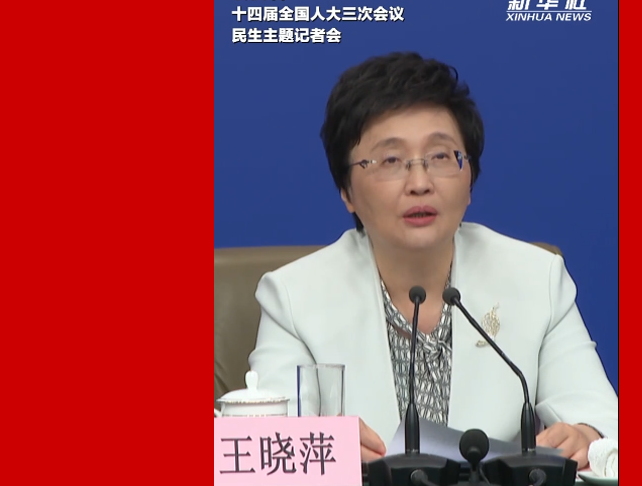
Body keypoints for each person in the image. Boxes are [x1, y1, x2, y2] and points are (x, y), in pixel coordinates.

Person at [248, 51, 618, 469]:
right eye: (390, 161)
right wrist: (323, 451)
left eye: (441, 157)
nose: (420, 183)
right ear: (347, 191)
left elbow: (604, 421)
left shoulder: (537, 278)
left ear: (470, 178)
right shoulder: (294, 297)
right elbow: (264, 445)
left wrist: (588, 437)